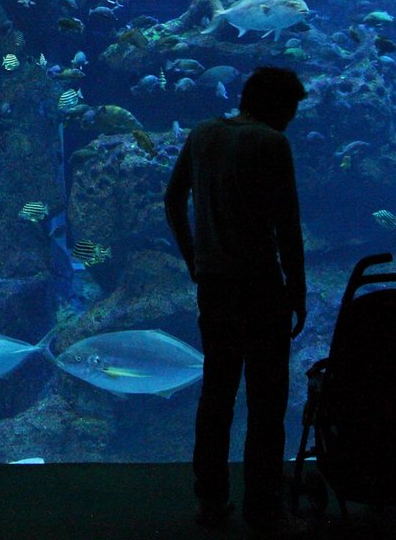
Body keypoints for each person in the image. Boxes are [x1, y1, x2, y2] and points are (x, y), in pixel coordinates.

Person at [164, 65, 311, 535]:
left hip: (215, 287)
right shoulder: (272, 143)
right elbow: (287, 225)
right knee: (267, 400)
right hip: (261, 288)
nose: (290, 118)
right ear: (274, 104)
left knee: (217, 395)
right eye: (290, 108)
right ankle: (263, 506)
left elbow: (172, 199)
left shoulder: (204, 134)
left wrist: (193, 257)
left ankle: (210, 500)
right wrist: (298, 288)